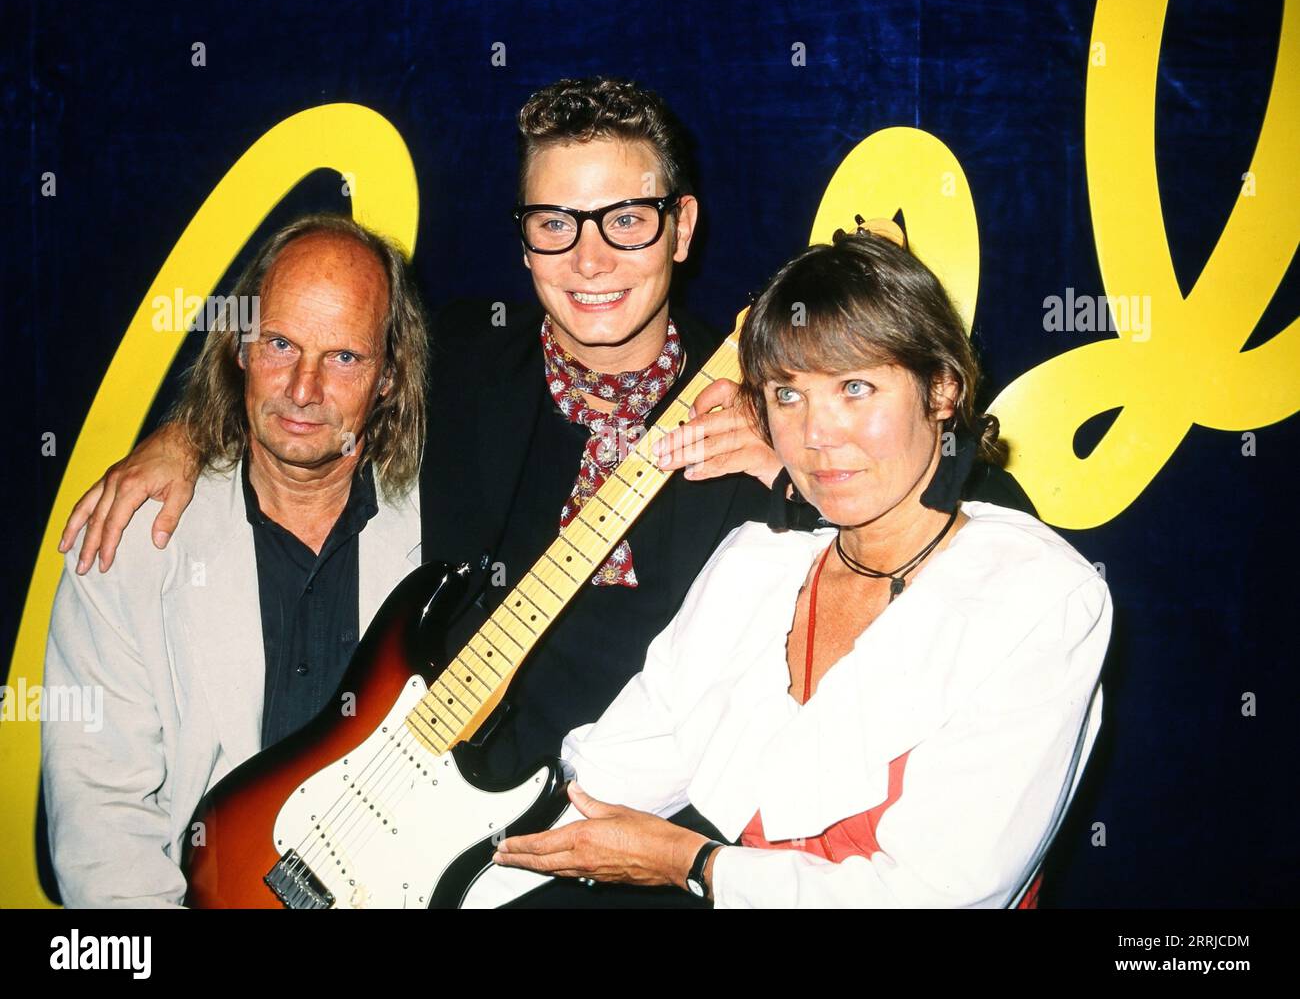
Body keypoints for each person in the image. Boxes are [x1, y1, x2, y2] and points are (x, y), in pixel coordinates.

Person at [55, 78, 1036, 907]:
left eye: (627, 219)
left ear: (681, 226)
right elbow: (311, 381)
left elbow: (991, 533)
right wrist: (183, 438)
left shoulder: (782, 413)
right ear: (522, 240)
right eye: (554, 223)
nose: (590, 257)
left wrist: (795, 471)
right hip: (429, 863)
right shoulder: (462, 371)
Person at [490, 227, 1112, 908]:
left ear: (941, 390)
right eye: (787, 395)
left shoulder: (1038, 596)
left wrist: (695, 865)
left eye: (854, 387)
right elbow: (595, 788)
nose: (818, 435)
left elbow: (940, 895)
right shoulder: (755, 566)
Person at [41, 214, 428, 906]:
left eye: (345, 358)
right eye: (281, 344)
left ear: (391, 378)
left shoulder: (455, 526)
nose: (304, 390)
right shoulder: (129, 543)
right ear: (241, 347)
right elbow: (103, 822)